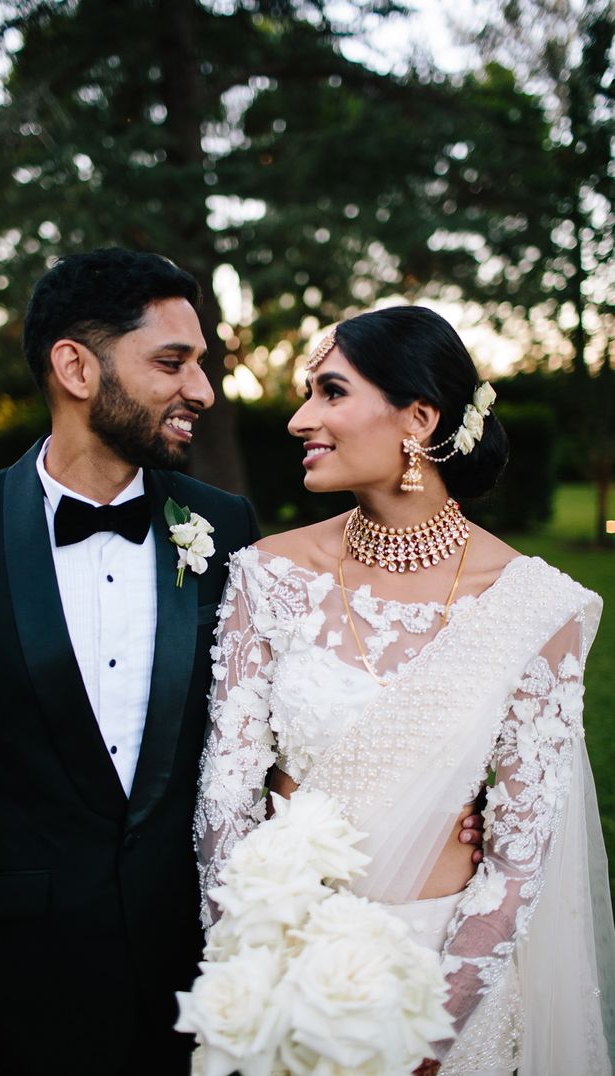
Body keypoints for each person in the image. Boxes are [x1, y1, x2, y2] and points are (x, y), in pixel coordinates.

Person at [195, 306, 615, 1075]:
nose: (299, 420)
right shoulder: (268, 575)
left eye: (330, 392)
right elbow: (225, 801)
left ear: (418, 417)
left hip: (445, 977)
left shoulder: (532, 608)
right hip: (277, 960)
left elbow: (520, 860)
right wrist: (251, 965)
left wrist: (424, 1033)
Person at [0, 248, 263, 1076]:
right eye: (173, 362)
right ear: (75, 366)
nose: (201, 390)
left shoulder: (226, 525)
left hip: (204, 995)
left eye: (201, 364)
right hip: (27, 996)